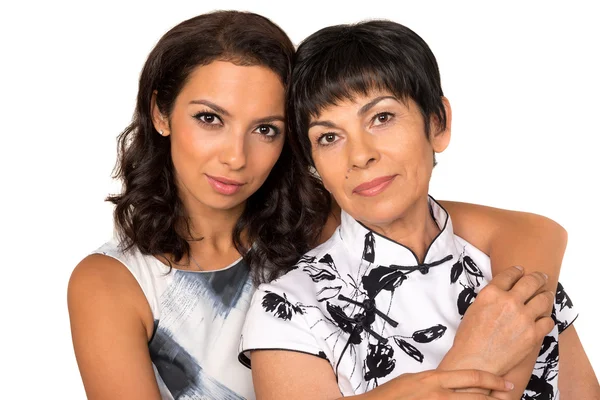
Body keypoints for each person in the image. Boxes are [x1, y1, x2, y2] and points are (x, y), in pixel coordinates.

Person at [68, 11, 583, 400]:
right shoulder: (113, 282)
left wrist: (507, 323)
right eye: (209, 119)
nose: (234, 155)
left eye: (266, 129)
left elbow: (536, 231)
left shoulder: (323, 220)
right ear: (161, 112)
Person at [240, 20, 599, 400]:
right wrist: (476, 356)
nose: (360, 155)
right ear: (313, 164)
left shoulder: (512, 267)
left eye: (382, 118)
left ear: (437, 123)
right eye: (329, 137)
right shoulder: (289, 308)